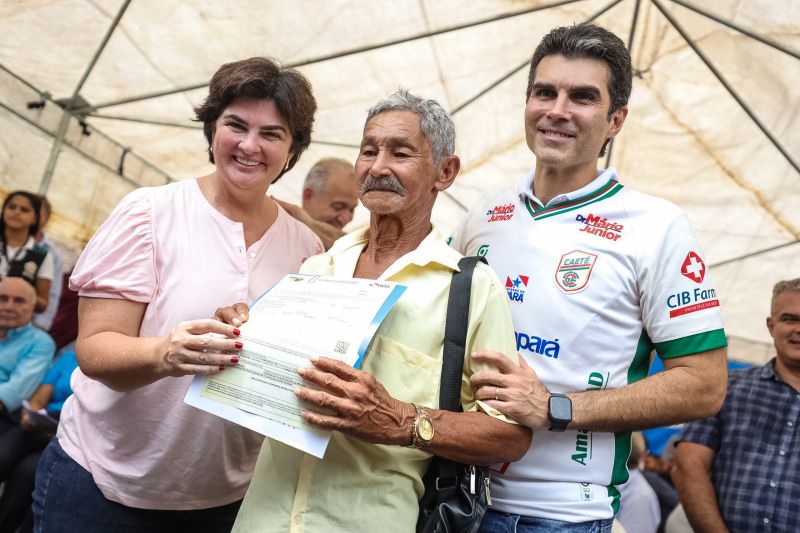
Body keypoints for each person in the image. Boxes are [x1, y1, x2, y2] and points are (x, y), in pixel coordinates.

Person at [448, 23, 728, 531]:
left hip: (563, 515)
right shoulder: (483, 213)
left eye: (582, 97)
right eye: (544, 92)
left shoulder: (657, 226)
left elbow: (704, 386)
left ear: (615, 119)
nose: (557, 110)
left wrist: (556, 407)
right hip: (455, 495)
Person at [32, 57, 323, 532]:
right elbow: (94, 349)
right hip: (103, 484)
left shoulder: (306, 248)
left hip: (225, 497)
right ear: (211, 131)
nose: (250, 145)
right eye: (235, 125)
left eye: (272, 133)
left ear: (292, 150)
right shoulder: (150, 213)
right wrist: (166, 352)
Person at [219, 89, 531, 533]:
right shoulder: (319, 266)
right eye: (369, 151)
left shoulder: (471, 290)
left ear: (445, 171)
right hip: (260, 519)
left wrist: (402, 420)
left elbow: (511, 435)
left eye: (400, 153)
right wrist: (239, 337)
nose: (378, 167)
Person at [671, 278, 800, 533]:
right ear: (771, 326)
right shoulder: (726, 388)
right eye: (789, 319)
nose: (798, 329)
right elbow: (688, 464)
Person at [0, 351, 78, 533]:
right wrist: (31, 412)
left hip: (73, 432)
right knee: (4, 454)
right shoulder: (70, 357)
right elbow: (41, 396)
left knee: (28, 471)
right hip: (46, 421)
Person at [0, 276, 55, 422]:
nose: (8, 307)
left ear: (33, 307)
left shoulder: (41, 342)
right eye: (3, 298)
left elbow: (12, 393)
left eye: (19, 301)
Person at [275, 157, 358, 249]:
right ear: (308, 196)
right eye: (338, 206)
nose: (345, 219)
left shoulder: (349, 251)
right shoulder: (278, 236)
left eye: (352, 209)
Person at [0, 191, 54, 313]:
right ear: (3, 211)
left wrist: (22, 290)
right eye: (11, 207)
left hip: (14, 326)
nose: (16, 212)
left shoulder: (42, 255)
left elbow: (43, 304)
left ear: (35, 219)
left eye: (24, 209)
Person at [33, 195, 64, 331]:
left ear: (46, 219)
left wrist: (39, 326)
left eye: (37, 213)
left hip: (25, 323)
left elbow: (52, 295)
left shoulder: (52, 254)